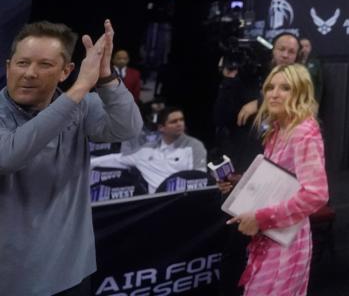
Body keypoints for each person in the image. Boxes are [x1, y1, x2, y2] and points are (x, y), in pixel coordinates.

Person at [0, 20, 142, 296]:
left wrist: (104, 78)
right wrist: (78, 90)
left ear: (66, 71)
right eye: (22, 63)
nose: (29, 73)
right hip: (11, 279)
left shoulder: (81, 108)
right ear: (8, 66)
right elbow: (8, 157)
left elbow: (128, 128)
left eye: (44, 65)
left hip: (71, 272)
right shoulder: (75, 101)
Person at [227, 64, 329, 296]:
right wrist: (237, 184)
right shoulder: (277, 130)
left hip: (287, 242)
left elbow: (316, 194)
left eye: (285, 88)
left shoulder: (303, 131)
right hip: (272, 238)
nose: (274, 93)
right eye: (270, 87)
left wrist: (260, 218)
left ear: (300, 93)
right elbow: (278, 182)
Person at [92, 106, 207, 192]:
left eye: (181, 120)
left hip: (184, 201)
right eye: (174, 121)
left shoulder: (195, 146)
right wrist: (86, 163)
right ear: (161, 128)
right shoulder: (145, 150)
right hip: (154, 206)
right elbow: (116, 159)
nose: (179, 124)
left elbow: (200, 179)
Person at [236, 32, 301, 126]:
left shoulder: (301, 77)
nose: (285, 55)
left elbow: (300, 100)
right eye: (281, 49)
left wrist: (259, 104)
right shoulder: (257, 70)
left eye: (291, 52)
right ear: (273, 50)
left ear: (297, 56)